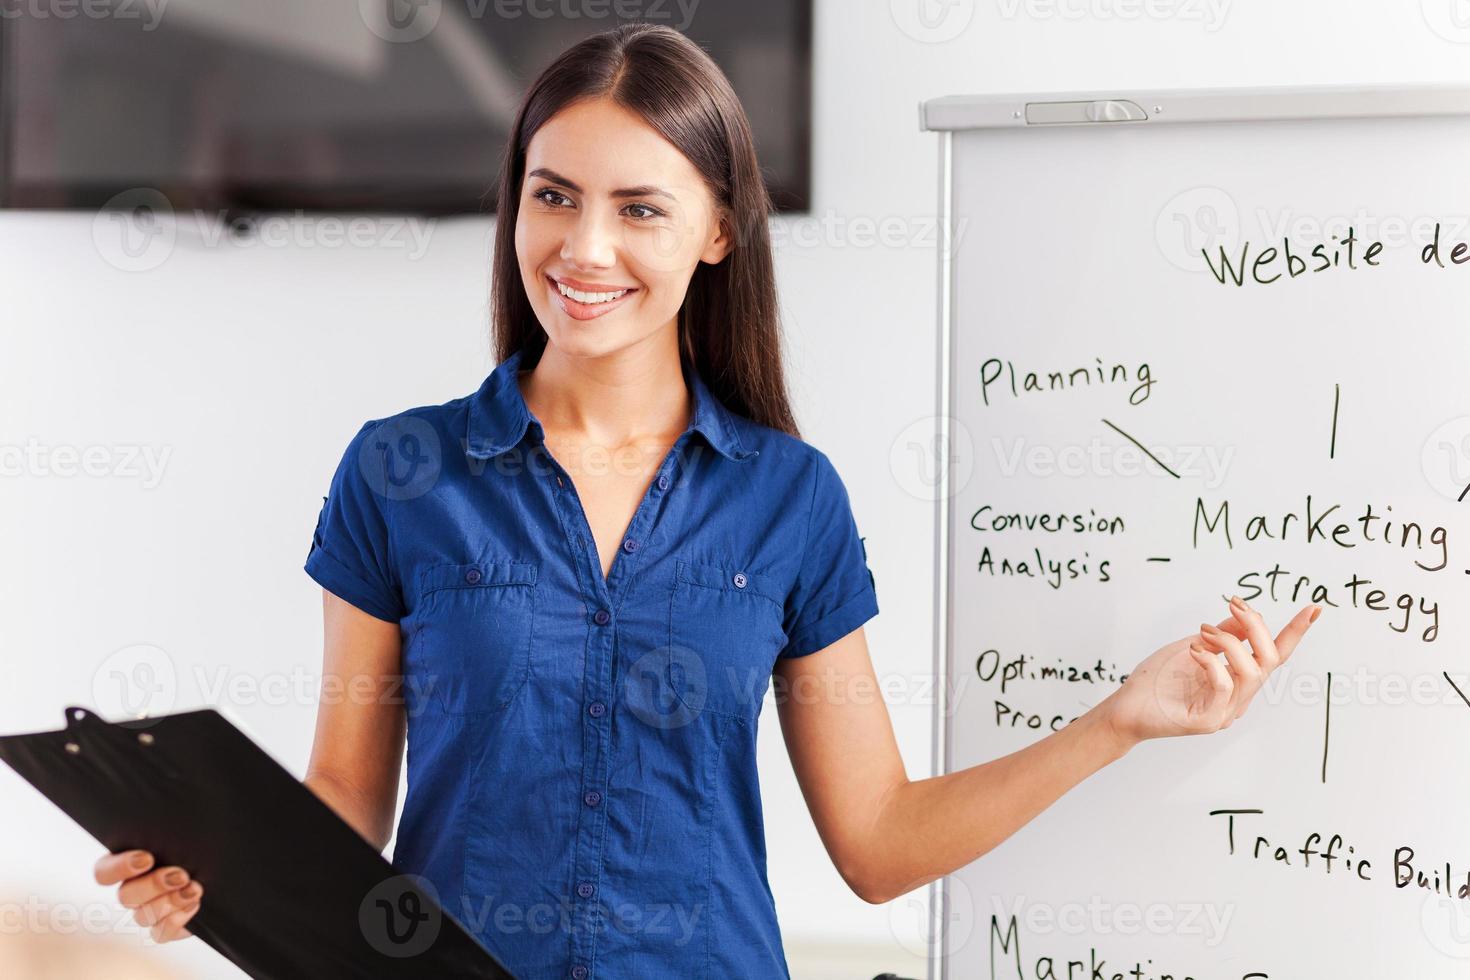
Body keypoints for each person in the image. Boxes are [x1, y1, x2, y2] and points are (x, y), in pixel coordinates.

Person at [93, 22, 1321, 979]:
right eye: (553, 193)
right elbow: (347, 802)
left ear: (720, 231)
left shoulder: (791, 499)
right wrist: (212, 867)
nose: (582, 249)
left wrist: (1119, 719)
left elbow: (880, 842)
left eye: (640, 208)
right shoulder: (400, 472)